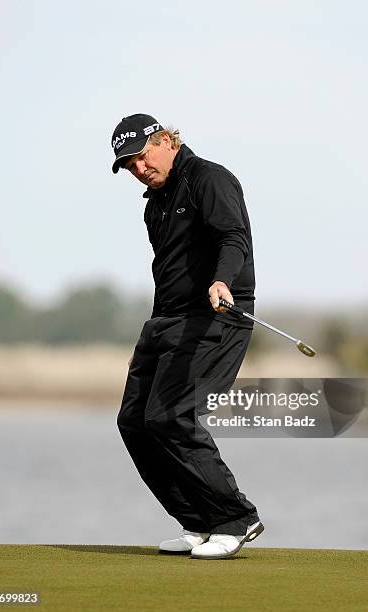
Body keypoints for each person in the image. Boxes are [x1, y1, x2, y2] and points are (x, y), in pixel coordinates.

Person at [111, 113, 263, 560]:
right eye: (128, 165)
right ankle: (197, 520)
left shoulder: (209, 179)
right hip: (166, 319)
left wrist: (223, 281)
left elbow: (233, 238)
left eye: (141, 157)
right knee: (135, 422)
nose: (138, 168)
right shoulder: (153, 204)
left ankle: (236, 519)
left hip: (216, 314)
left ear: (165, 141)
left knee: (172, 416)